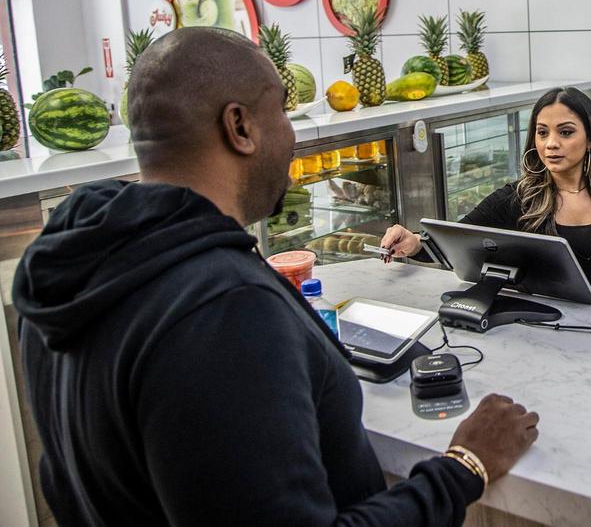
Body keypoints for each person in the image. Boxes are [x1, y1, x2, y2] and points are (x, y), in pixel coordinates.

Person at [13, 27, 538, 525]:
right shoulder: (224, 307)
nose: (292, 134)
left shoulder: (72, 261)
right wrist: (465, 465)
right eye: (283, 110)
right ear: (239, 126)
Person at [382, 87, 591, 297]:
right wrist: (414, 241)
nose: (551, 144)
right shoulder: (516, 198)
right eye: (542, 132)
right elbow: (453, 243)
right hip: (538, 323)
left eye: (566, 132)